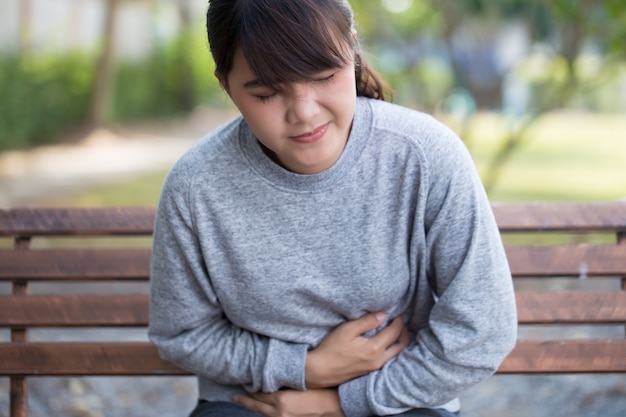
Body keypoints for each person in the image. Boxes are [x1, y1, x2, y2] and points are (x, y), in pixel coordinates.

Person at [148, 1, 518, 416]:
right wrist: (305, 368)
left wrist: (335, 404)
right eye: (267, 92)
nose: (304, 113)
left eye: (324, 76)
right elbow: (181, 332)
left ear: (352, 52)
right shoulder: (196, 186)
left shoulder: (425, 155)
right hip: (251, 403)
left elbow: (482, 330)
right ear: (226, 85)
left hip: (399, 400)